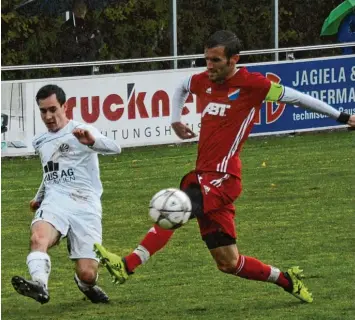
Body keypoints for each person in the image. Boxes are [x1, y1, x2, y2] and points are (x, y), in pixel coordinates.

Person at [94, 30, 355, 302]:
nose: (209, 66)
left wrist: (343, 116)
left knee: (176, 207)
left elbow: (298, 97)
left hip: (224, 177)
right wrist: (175, 119)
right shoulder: (203, 81)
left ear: (234, 60)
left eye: (216, 60)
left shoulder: (253, 85)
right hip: (204, 175)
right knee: (228, 262)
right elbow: (182, 86)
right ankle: (286, 279)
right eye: (206, 59)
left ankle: (127, 265)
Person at [11, 84, 121, 304]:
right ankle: (40, 285)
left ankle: (84, 285)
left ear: (65, 106)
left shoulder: (82, 130)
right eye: (43, 111)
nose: (48, 116)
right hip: (56, 201)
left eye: (53, 109)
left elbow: (115, 148)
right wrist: (40, 196)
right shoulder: (40, 142)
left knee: (88, 273)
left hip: (85, 204)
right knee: (38, 238)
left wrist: (93, 142)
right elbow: (50, 170)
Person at [57, 0, 103, 76]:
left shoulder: (89, 25)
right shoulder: (68, 27)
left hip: (87, 65)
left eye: (83, 9)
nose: (83, 12)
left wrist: (90, 40)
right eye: (80, 9)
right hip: (71, 66)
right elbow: (68, 47)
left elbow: (97, 43)